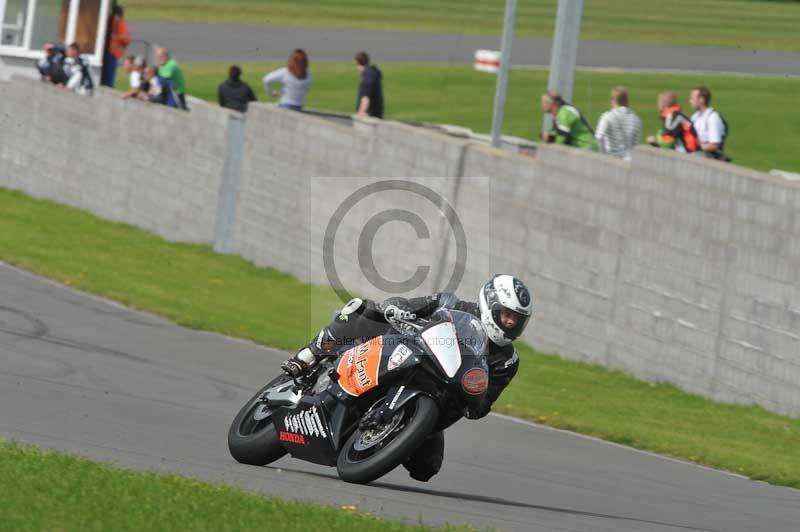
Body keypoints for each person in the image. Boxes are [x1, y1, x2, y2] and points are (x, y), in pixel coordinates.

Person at [280, 275, 533, 482]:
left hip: (439, 398)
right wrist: (399, 308)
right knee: (364, 311)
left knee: (426, 469)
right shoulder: (450, 303)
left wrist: (476, 395)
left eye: (517, 320)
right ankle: (307, 356)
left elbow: (481, 407)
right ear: (490, 305)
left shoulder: (507, 361)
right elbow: (407, 305)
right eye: (506, 314)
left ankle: (389, 437)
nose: (510, 322)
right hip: (402, 354)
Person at [594, 87, 641, 161]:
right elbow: (636, 145)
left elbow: (599, 137)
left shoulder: (607, 116)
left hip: (611, 159)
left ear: (613, 100)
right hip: (629, 161)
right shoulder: (636, 119)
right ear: (627, 101)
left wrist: (603, 154)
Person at [689, 86, 729, 161]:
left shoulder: (712, 117)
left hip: (710, 157)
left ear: (701, 100)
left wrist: (695, 147)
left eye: (692, 98)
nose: (690, 101)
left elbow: (714, 145)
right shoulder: (695, 116)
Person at [101, 5, 131, 87]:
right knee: (109, 78)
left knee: (103, 75)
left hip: (103, 51)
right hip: (113, 53)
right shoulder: (119, 23)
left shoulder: (106, 19)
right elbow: (126, 39)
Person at [354, 51, 384, 118]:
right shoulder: (372, 72)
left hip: (370, 116)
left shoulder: (367, 77)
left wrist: (360, 113)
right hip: (377, 114)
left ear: (357, 62)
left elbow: (365, 98)